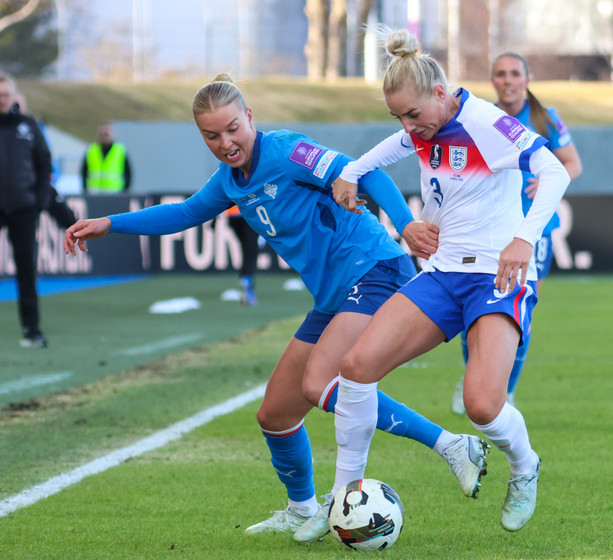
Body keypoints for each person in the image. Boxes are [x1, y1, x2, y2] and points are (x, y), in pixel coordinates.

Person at [65, 73, 490, 542]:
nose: (226, 143)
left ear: (249, 117)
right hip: (333, 296)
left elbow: (365, 172)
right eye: (211, 135)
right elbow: (184, 213)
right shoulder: (230, 181)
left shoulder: (288, 151)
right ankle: (300, 509)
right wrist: (110, 223)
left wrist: (406, 224)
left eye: (233, 128)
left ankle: (452, 445)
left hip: (374, 269)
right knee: (275, 415)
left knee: (321, 382)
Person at [300, 27, 569, 538]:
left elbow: (555, 171)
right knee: (355, 367)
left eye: (413, 114)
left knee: (482, 405)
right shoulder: (424, 124)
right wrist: (352, 172)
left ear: (441, 93)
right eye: (398, 117)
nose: (408, 128)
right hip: (443, 273)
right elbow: (390, 148)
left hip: (496, 274)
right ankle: (342, 498)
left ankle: (525, 465)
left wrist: (523, 238)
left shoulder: (487, 123)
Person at [451, 52, 583, 413]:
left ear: (527, 79)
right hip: (490, 229)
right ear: (492, 80)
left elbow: (573, 163)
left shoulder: (545, 118)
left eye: (514, 73)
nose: (507, 80)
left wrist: (548, 179)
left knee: (518, 314)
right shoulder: (481, 117)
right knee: (472, 310)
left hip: (534, 229)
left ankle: (505, 392)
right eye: (500, 74)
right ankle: (474, 379)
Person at [0, 72, 53, 348]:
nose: (2, 100)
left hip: (23, 208)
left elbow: (44, 164)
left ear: (13, 96)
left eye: (5, 95)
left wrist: (39, 201)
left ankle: (32, 330)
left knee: (26, 269)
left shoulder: (28, 125)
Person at [12, 90, 77, 229]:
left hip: (35, 184)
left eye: (18, 105)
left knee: (67, 217)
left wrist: (49, 179)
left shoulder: (32, 127)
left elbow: (45, 157)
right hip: (11, 189)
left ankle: (78, 233)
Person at [81, 122, 132, 193]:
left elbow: (128, 173)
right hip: (94, 192)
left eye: (106, 134)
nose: (104, 137)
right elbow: (84, 172)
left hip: (115, 192)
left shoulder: (119, 150)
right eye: (101, 134)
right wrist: (85, 189)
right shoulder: (91, 150)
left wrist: (125, 191)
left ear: (112, 135)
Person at [226, 204, 259, 305]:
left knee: (246, 247)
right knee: (250, 250)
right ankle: (247, 280)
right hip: (250, 213)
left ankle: (244, 277)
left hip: (233, 215)